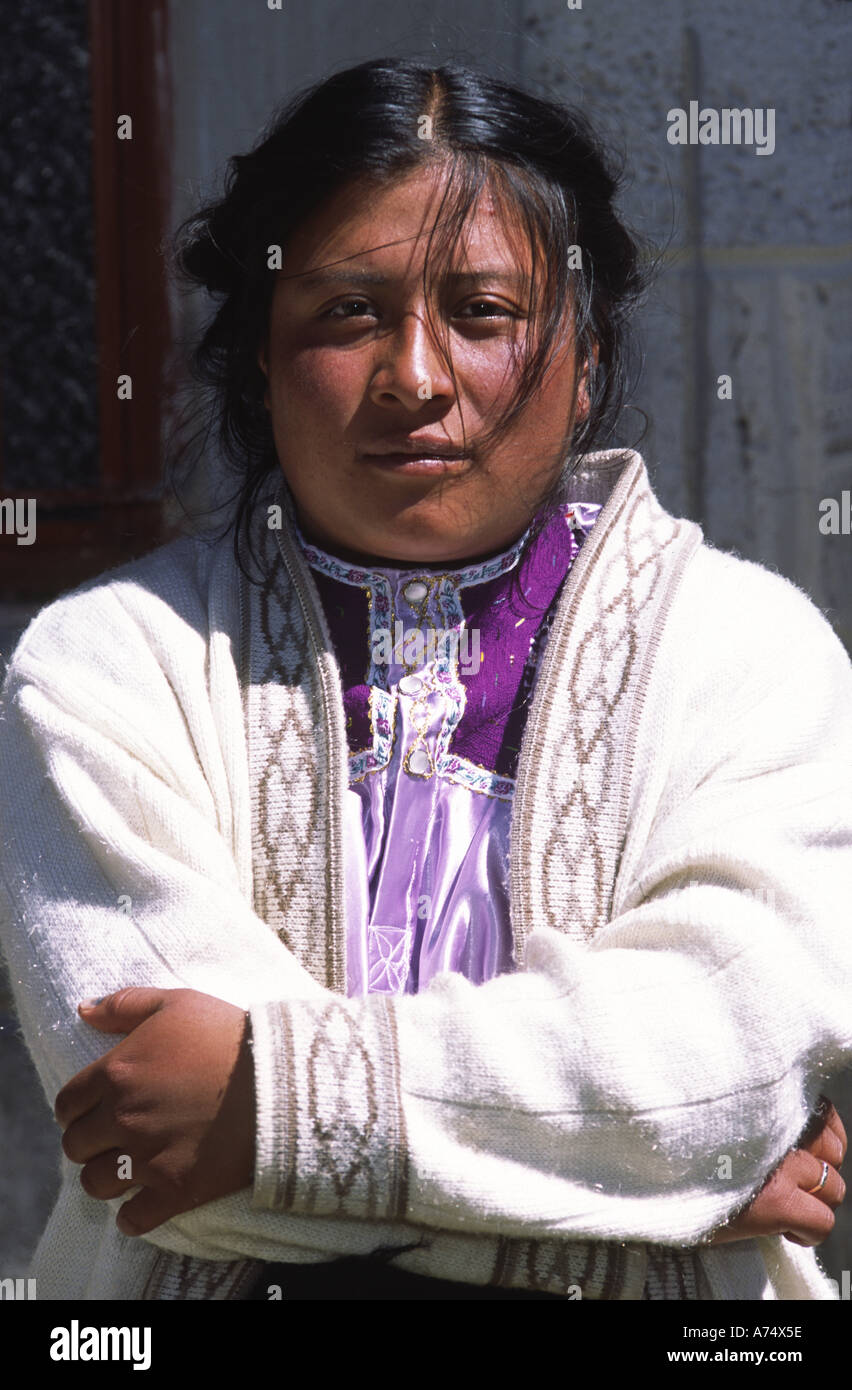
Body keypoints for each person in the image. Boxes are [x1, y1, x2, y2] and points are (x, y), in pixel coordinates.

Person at [0, 58, 849, 1302]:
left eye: (484, 311)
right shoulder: (107, 668)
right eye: (347, 313)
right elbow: (153, 1150)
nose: (415, 373)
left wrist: (271, 1110)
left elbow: (724, 1066)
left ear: (587, 351)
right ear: (257, 359)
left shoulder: (752, 659)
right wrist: (669, 1183)